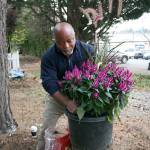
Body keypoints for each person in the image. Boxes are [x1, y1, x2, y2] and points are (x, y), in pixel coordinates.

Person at [37, 22, 94, 150]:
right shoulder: (48, 57)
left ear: (75, 37)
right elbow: (49, 83)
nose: (66, 46)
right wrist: (67, 102)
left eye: (69, 40)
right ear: (55, 40)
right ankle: (41, 147)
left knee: (83, 129)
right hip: (58, 96)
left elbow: (97, 74)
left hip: (82, 98)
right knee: (47, 127)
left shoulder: (88, 51)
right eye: (60, 42)